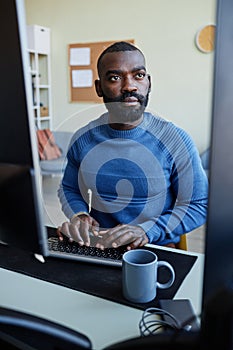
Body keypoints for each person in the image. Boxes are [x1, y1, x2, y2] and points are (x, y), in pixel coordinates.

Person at [57, 41, 208, 250]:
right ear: (99, 88)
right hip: (100, 247)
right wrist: (80, 214)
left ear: (149, 83)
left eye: (138, 75)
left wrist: (147, 230)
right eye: (115, 78)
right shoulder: (83, 139)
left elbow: (198, 205)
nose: (129, 86)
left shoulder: (176, 140)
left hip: (156, 250)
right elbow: (69, 188)